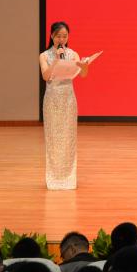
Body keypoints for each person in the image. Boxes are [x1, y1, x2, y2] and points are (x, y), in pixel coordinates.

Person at [38, 21, 92, 190]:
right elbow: (46, 76)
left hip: (68, 99)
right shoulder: (44, 55)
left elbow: (83, 75)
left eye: (64, 36)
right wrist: (56, 60)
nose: (61, 39)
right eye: (58, 36)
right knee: (53, 138)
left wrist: (84, 66)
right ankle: (54, 177)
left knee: (68, 138)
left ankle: (68, 178)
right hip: (52, 99)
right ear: (52, 36)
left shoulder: (73, 54)